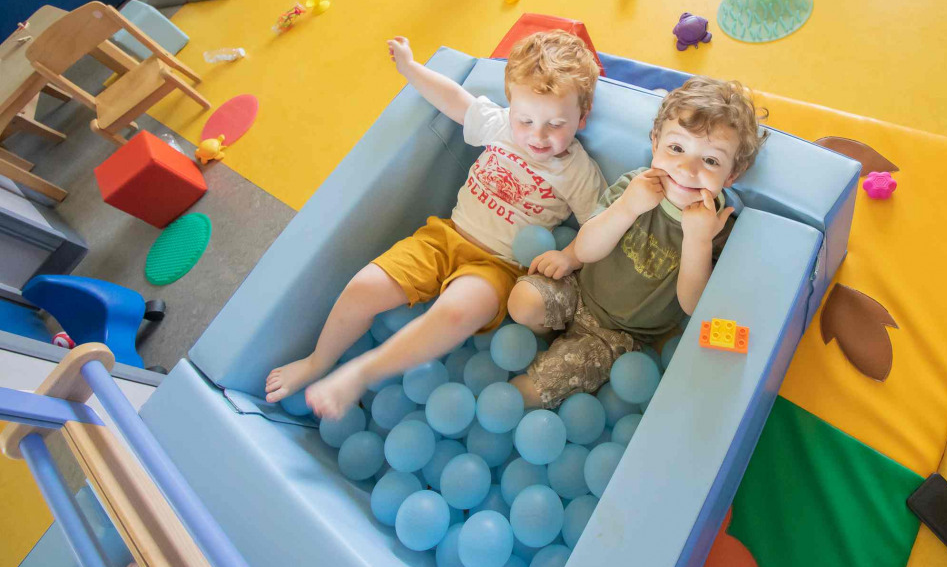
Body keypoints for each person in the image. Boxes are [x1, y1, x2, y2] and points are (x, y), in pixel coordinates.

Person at [265, 31, 606, 418]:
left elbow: (601, 225)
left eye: (556, 124)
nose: (537, 136)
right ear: (511, 106)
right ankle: (318, 360)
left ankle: (361, 372)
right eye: (525, 119)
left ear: (583, 114)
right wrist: (411, 68)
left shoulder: (576, 171)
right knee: (363, 287)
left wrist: (569, 256)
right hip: (443, 238)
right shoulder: (500, 127)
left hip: (498, 267)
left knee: (455, 312)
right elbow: (453, 99)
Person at [506, 77, 769, 409]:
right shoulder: (635, 185)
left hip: (619, 336)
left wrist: (698, 240)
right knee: (521, 302)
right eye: (677, 148)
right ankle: (551, 335)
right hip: (580, 289)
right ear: (655, 143)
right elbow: (587, 250)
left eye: (711, 161)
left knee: (525, 395)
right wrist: (625, 209)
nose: (687, 169)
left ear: (731, 175)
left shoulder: (716, 228)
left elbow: (692, 307)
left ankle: (564, 357)